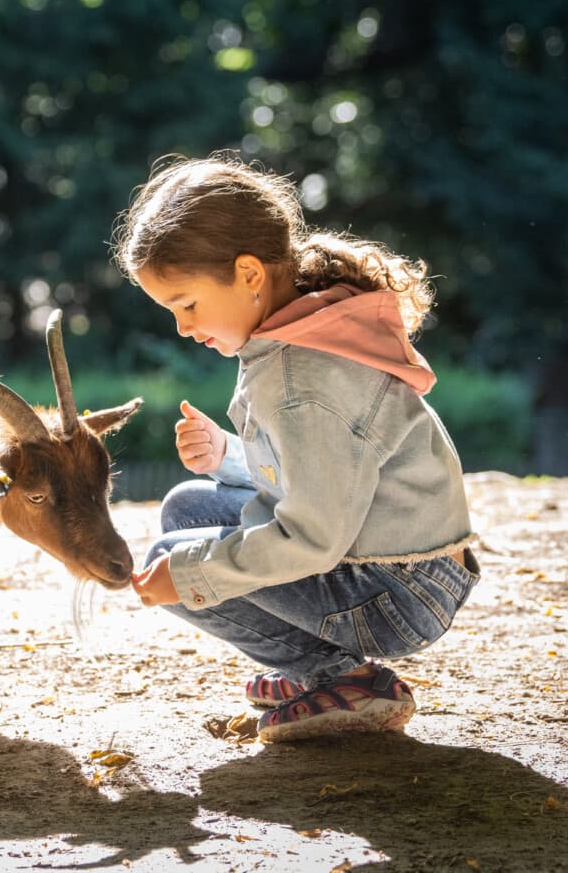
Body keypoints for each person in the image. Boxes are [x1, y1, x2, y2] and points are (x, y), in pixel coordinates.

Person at [110, 153, 479, 743]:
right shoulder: (298, 327)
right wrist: (227, 456)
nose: (182, 327)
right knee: (187, 508)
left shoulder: (300, 379)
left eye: (187, 304)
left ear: (249, 274)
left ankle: (342, 678)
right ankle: (323, 667)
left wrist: (194, 575)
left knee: (175, 559)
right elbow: (317, 470)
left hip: (398, 591)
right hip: (401, 562)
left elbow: (312, 536)